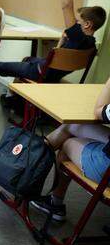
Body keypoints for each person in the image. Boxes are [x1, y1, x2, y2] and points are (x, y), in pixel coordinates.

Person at [0, 0, 104, 84]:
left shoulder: (79, 38)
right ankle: (12, 98)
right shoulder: (91, 45)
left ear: (87, 24)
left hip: (41, 73)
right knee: (27, 58)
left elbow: (66, 6)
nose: (74, 22)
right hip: (51, 74)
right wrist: (63, 40)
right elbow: (56, 58)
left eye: (77, 20)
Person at [30, 76, 110, 221]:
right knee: (73, 125)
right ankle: (26, 171)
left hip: (106, 168)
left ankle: (50, 200)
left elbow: (99, 111)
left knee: (67, 143)